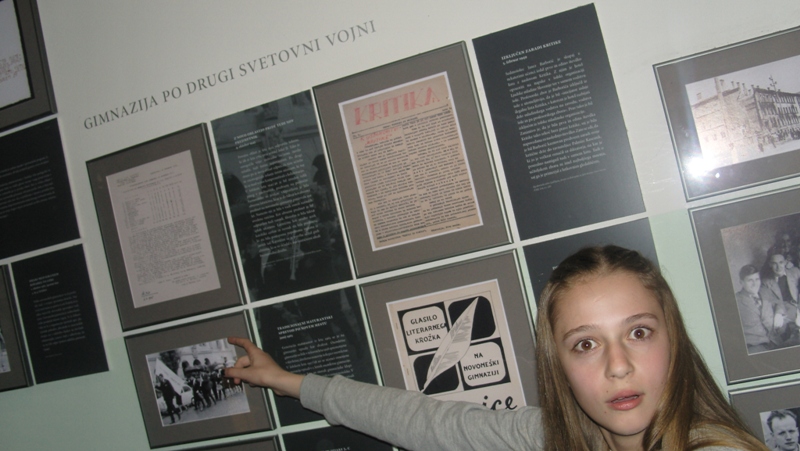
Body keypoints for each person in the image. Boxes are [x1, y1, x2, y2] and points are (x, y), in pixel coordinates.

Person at [226, 246, 768, 450]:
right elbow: (423, 422)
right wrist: (287, 382)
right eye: (585, 343)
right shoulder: (555, 438)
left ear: (674, 340)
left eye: (639, 332)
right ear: (557, 363)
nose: (619, 366)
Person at [735, 264, 785, 352]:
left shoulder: (764, 292)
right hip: (754, 347)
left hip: (775, 341)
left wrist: (779, 313)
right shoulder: (735, 301)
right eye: (750, 280)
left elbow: (779, 303)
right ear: (741, 282)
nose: (755, 284)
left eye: (757, 279)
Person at [760, 252, 800, 344]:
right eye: (774, 263)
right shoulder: (766, 282)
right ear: (770, 264)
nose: (778, 267)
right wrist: (779, 312)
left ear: (785, 262)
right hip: (782, 309)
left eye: (781, 262)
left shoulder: (795, 272)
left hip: (797, 304)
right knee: (778, 330)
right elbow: (769, 300)